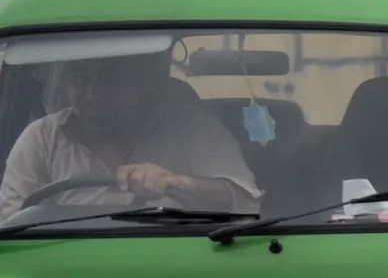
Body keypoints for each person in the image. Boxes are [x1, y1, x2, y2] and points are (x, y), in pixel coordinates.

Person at [0, 52, 260, 221]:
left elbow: (244, 201)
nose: (92, 95)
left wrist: (175, 182)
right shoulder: (41, 140)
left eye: (108, 79)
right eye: (80, 80)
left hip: (176, 264)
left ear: (143, 82)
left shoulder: (193, 127)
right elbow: (9, 227)